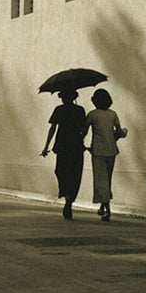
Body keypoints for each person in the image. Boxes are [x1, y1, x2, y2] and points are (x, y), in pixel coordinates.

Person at [40, 89, 86, 219]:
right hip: (76, 145)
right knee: (75, 173)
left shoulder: (59, 110)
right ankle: (69, 199)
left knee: (61, 171)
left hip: (62, 145)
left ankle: (66, 195)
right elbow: (84, 128)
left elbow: (53, 128)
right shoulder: (80, 110)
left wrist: (46, 146)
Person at [85, 88, 125, 221]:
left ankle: (107, 209)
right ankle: (103, 207)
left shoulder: (92, 115)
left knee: (100, 179)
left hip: (98, 150)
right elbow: (118, 132)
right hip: (112, 150)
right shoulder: (113, 114)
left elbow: (83, 131)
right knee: (107, 179)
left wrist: (82, 144)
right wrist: (123, 132)